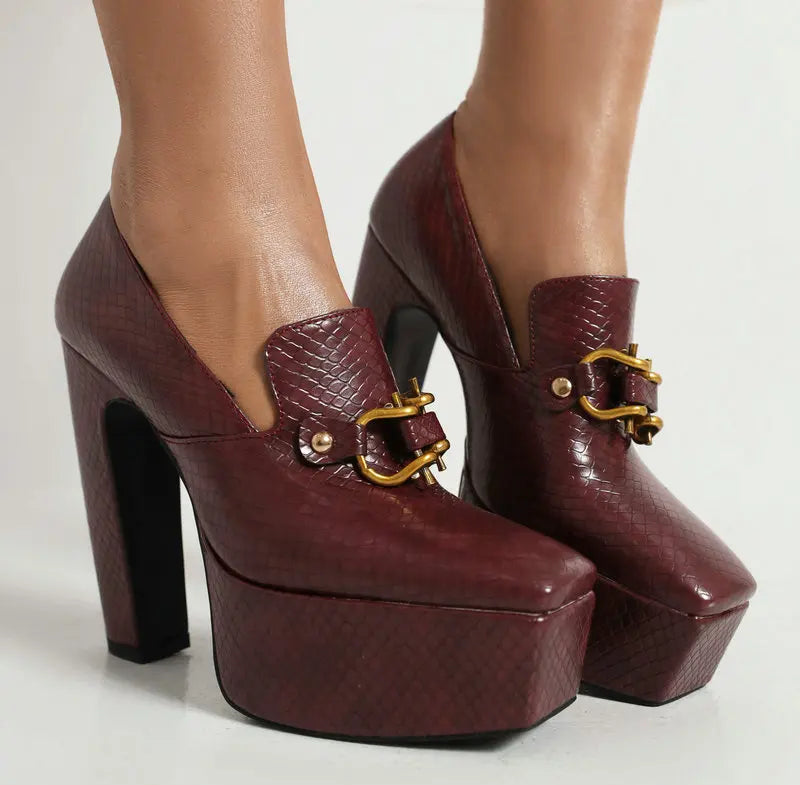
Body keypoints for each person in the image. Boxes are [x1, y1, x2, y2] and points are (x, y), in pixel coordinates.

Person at [55, 0, 754, 740]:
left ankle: (527, 187)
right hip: (197, 263)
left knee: (559, 138)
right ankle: (207, 224)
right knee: (210, 154)